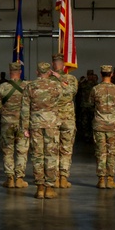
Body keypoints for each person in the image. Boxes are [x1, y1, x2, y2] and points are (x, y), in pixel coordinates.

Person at [22, 62, 63, 199]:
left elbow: (25, 108)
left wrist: (24, 127)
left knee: (37, 155)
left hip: (35, 124)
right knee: (51, 155)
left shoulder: (30, 86)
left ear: (36, 72)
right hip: (51, 124)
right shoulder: (56, 86)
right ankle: (49, 188)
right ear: (49, 72)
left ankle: (39, 188)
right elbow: (62, 97)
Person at [91, 65, 115, 189]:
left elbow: (91, 103)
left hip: (99, 124)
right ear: (111, 74)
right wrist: (113, 115)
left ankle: (101, 179)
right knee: (111, 152)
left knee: (100, 152)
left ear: (101, 74)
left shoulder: (95, 89)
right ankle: (110, 180)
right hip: (112, 125)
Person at [0, 62, 28, 188]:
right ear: (20, 72)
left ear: (10, 72)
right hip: (22, 123)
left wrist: (8, 114)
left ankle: (9, 178)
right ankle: (19, 179)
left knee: (7, 151)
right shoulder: (27, 86)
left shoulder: (2, 87)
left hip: (7, 124)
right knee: (22, 151)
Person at [51, 54, 78, 188]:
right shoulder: (71, 79)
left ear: (53, 65)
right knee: (66, 149)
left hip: (53, 119)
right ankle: (63, 177)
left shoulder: (48, 81)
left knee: (53, 149)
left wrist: (58, 77)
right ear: (63, 65)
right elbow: (71, 92)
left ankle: (55, 177)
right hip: (68, 119)